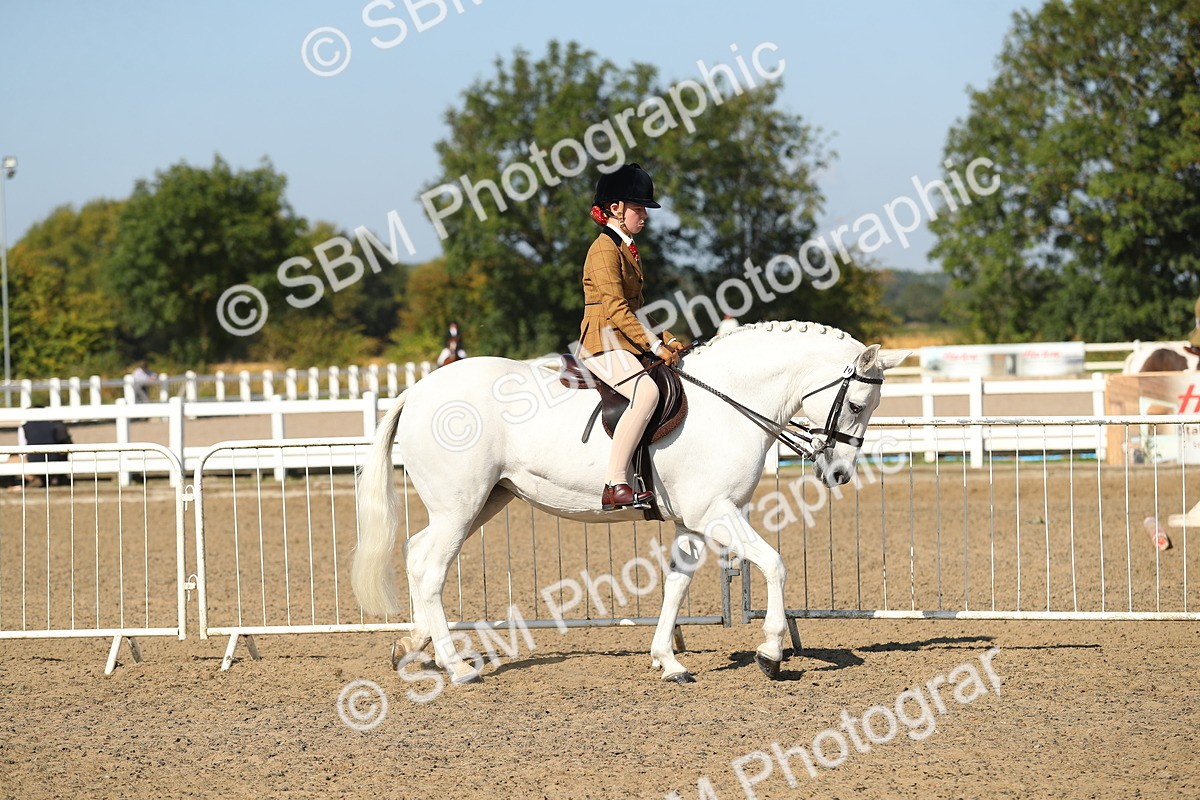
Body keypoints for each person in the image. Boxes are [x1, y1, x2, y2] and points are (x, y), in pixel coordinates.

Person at [578, 163, 685, 511]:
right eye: (639, 209)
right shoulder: (603, 249)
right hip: (601, 342)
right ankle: (614, 482)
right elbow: (616, 307)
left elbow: (638, 308)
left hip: (622, 339)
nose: (645, 216)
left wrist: (667, 338)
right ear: (616, 209)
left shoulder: (625, 248)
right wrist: (653, 345)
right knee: (647, 392)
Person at [12, 408, 72, 490]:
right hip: (54, 460)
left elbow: (22, 450)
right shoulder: (54, 425)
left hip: (34, 461)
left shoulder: (24, 427)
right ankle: (54, 477)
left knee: (13, 459)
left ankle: (33, 478)